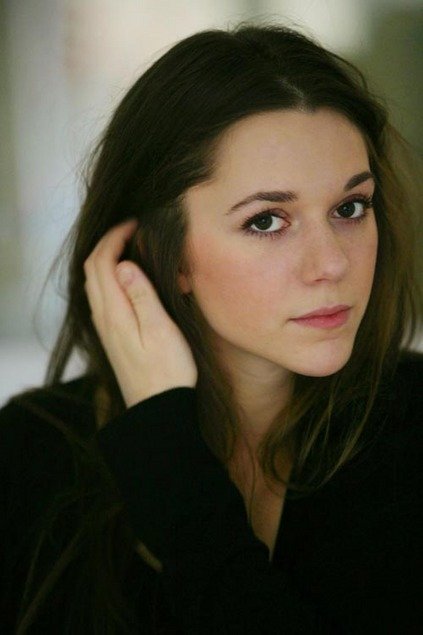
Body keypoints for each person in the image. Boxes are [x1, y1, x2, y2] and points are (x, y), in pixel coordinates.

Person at [0, 21, 422, 634]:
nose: (332, 263)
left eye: (350, 208)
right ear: (166, 253)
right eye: (267, 221)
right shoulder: (31, 454)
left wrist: (167, 456)